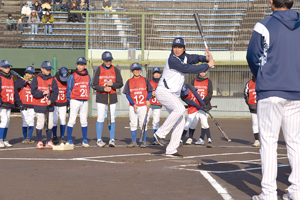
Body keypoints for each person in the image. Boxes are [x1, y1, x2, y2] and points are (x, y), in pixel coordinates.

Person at [246, 0, 300, 199]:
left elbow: (252, 56)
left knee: (268, 143)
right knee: (295, 142)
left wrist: (261, 75)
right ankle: (297, 191)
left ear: (271, 2)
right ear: (292, 2)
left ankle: (268, 193)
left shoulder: (264, 24)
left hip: (270, 90)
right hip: (296, 91)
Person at [153, 37, 214, 157]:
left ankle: (171, 150)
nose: (177, 49)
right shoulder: (172, 59)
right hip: (163, 91)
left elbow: (195, 58)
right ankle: (160, 134)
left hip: (173, 94)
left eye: (179, 47)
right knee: (180, 109)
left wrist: (205, 58)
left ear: (184, 48)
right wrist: (206, 66)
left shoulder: (186, 57)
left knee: (181, 121)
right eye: (175, 47)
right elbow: (188, 68)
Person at [92, 51, 123, 147]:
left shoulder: (115, 70)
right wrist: (103, 88)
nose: (108, 62)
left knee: (112, 117)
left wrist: (112, 85)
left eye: (110, 60)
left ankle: (112, 139)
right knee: (100, 117)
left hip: (112, 96)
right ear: (102, 60)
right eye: (106, 60)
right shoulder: (98, 70)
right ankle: (99, 139)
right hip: (101, 96)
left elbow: (120, 83)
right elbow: (93, 85)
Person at [123, 63, 153, 148]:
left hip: (143, 105)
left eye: (138, 70)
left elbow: (150, 91)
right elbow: (127, 94)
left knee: (143, 123)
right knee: (133, 123)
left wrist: (147, 99)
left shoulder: (145, 80)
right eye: (135, 70)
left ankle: (143, 141)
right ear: (132, 71)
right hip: (133, 105)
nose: (137, 71)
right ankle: (133, 141)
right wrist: (133, 104)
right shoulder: (129, 81)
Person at [31, 61, 58, 149]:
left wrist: (51, 100)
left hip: (49, 106)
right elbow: (33, 92)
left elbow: (55, 92)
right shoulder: (36, 78)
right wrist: (42, 93)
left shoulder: (52, 79)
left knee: (50, 124)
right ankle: (39, 141)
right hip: (39, 105)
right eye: (47, 69)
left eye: (50, 69)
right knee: (40, 123)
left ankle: (49, 141)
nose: (49, 71)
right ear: (41, 69)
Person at [66, 57, 91, 148]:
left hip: (84, 100)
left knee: (84, 120)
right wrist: (70, 100)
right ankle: (69, 140)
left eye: (81, 64)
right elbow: (69, 89)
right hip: (75, 100)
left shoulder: (88, 76)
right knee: (72, 119)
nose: (79, 66)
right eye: (78, 64)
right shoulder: (72, 76)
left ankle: (84, 140)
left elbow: (88, 88)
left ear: (85, 65)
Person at [0, 60, 23, 148]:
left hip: (9, 103)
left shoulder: (11, 78)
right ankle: (0, 140)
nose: (7, 69)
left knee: (7, 121)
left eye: (8, 67)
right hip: (2, 103)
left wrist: (19, 103)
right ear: (1, 68)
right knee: (4, 120)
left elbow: (15, 92)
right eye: (5, 67)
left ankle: (4, 140)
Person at [188, 70, 213, 146]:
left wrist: (203, 102)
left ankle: (201, 139)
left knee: (204, 123)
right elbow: (190, 92)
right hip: (195, 105)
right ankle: (190, 138)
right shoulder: (194, 81)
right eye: (201, 71)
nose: (203, 73)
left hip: (204, 105)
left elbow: (210, 93)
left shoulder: (209, 81)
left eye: (204, 72)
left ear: (206, 72)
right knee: (193, 122)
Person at [15, 66, 36, 144]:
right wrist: (24, 82)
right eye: (27, 73)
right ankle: (25, 138)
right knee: (25, 121)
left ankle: (29, 137)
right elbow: (15, 86)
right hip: (23, 104)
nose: (28, 75)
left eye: (30, 73)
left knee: (31, 121)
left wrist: (31, 83)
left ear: (33, 75)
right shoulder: (20, 80)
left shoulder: (35, 81)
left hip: (32, 104)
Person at [52, 67, 69, 145]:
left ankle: (62, 136)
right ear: (59, 74)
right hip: (55, 103)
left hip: (63, 103)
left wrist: (68, 102)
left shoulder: (67, 80)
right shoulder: (53, 80)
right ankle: (54, 135)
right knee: (54, 120)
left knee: (63, 119)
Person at [147, 67, 163, 145]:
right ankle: (143, 138)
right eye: (155, 73)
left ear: (160, 74)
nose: (157, 75)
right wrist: (150, 94)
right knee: (145, 120)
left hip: (158, 104)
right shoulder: (149, 82)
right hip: (149, 104)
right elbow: (145, 92)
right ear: (152, 74)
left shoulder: (162, 83)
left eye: (158, 73)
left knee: (156, 122)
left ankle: (155, 139)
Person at [244, 75, 260, 147]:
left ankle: (264, 140)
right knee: (255, 123)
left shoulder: (262, 82)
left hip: (262, 107)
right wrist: (249, 103)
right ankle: (256, 140)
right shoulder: (249, 83)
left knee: (264, 124)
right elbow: (245, 94)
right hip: (253, 107)